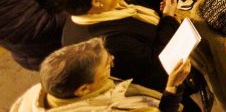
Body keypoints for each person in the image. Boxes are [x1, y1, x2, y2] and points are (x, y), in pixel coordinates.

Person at [48, 0, 180, 92]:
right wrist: (169, 18)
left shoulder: (85, 12)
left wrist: (115, 1)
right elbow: (156, 60)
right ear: (96, 1)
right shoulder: (107, 42)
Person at [11, 37, 190, 111]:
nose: (112, 60)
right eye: (107, 64)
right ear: (83, 89)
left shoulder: (46, 88)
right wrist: (172, 87)